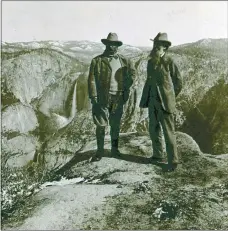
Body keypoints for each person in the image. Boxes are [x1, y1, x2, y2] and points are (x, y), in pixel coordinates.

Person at [88, 32, 135, 161]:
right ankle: (100, 152)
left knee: (115, 125)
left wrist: (127, 85)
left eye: (114, 45)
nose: (111, 47)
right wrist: (93, 96)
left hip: (118, 98)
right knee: (101, 125)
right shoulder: (97, 61)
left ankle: (115, 150)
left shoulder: (124, 61)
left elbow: (132, 75)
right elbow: (91, 80)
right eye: (109, 44)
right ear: (106, 45)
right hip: (102, 98)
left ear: (117, 46)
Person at [139, 32, 183, 171]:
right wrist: (146, 99)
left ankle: (173, 161)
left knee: (168, 132)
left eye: (159, 45)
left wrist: (170, 96)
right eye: (155, 44)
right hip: (153, 102)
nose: (156, 47)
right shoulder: (151, 62)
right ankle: (158, 155)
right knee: (153, 129)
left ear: (165, 47)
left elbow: (178, 82)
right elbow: (148, 81)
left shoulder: (170, 61)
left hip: (165, 104)